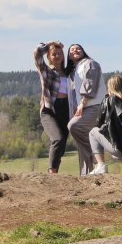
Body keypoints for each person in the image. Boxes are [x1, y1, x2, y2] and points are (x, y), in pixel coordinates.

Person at [89, 75, 122, 175]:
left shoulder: (107, 101)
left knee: (93, 132)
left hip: (119, 150)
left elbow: (99, 124)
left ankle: (101, 165)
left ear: (110, 87)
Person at [66, 44, 106, 175]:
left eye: (78, 48)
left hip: (94, 105)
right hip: (85, 106)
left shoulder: (90, 63)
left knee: (74, 126)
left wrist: (83, 102)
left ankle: (96, 155)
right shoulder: (74, 71)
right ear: (69, 56)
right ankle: (86, 174)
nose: (75, 50)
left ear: (83, 51)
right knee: (85, 138)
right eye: (72, 50)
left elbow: (90, 83)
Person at [34, 41, 71, 173]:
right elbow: (37, 53)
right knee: (57, 139)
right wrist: (52, 43)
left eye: (59, 53)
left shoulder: (69, 73)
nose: (57, 56)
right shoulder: (46, 70)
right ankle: (52, 173)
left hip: (66, 109)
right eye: (54, 54)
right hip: (50, 109)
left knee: (61, 145)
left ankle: (55, 176)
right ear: (49, 56)